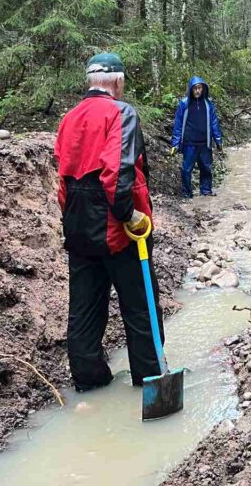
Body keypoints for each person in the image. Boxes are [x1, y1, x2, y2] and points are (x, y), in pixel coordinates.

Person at [54, 53, 163, 392]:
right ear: (117, 82)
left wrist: (71, 217)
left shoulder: (68, 118)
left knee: (84, 307)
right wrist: (128, 215)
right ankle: (151, 381)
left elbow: (62, 177)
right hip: (117, 227)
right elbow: (117, 170)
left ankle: (90, 380)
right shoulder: (122, 112)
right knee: (140, 305)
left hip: (77, 223)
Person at [169, 76, 223, 198]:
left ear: (203, 89)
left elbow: (214, 122)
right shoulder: (184, 104)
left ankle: (206, 191)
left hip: (205, 143)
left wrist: (218, 140)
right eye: (195, 88)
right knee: (186, 169)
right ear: (191, 90)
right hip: (189, 143)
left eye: (200, 88)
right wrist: (175, 143)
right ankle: (187, 193)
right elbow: (178, 124)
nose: (198, 91)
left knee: (206, 168)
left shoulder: (208, 104)